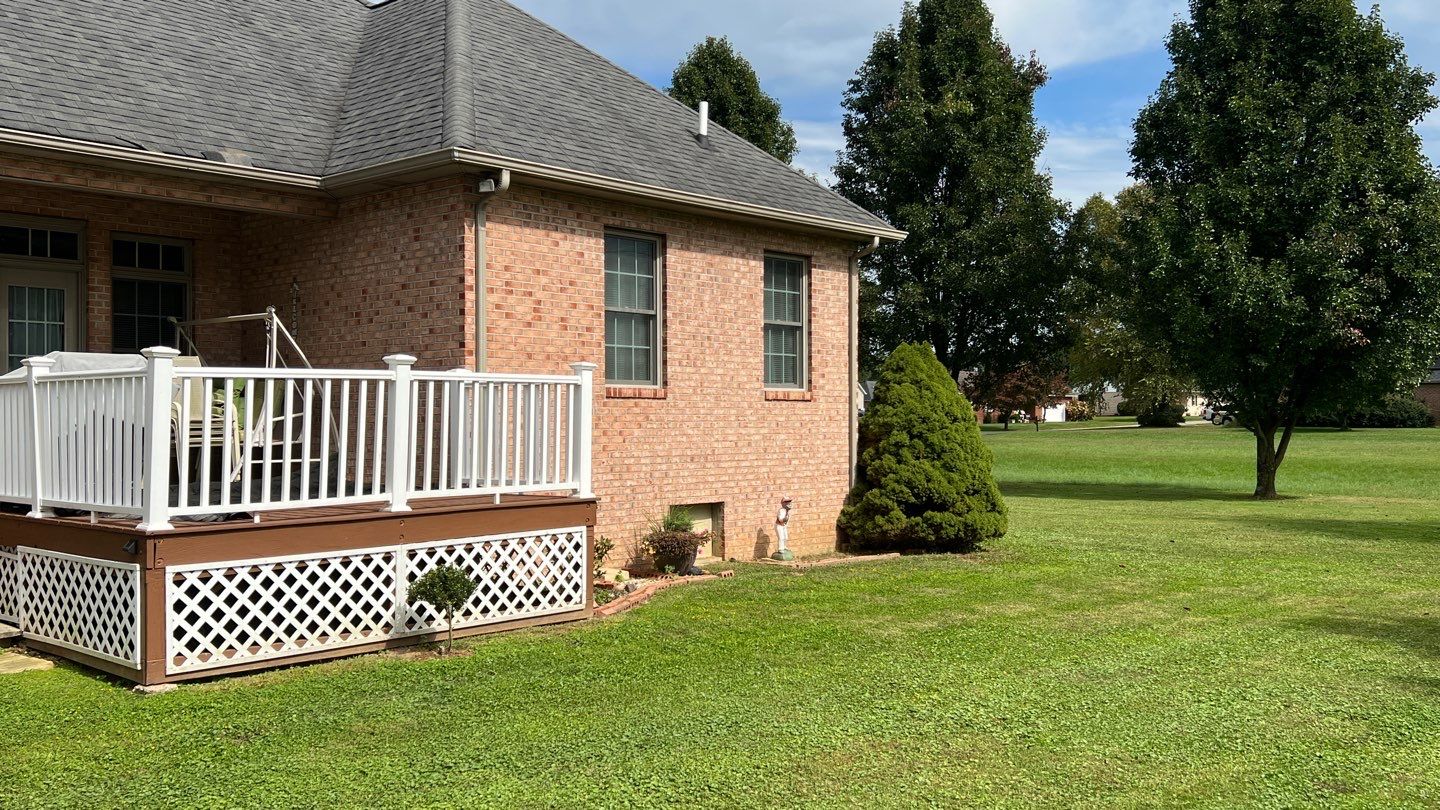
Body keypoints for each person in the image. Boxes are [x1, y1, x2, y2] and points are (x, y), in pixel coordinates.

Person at [773, 496, 794, 561]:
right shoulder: (781, 510)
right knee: (781, 537)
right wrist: (784, 519)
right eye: (786, 502)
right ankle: (780, 548)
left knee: (786, 537)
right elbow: (780, 519)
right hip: (779, 525)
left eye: (789, 502)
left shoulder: (787, 511)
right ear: (783, 503)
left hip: (784, 526)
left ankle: (784, 546)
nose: (788, 503)